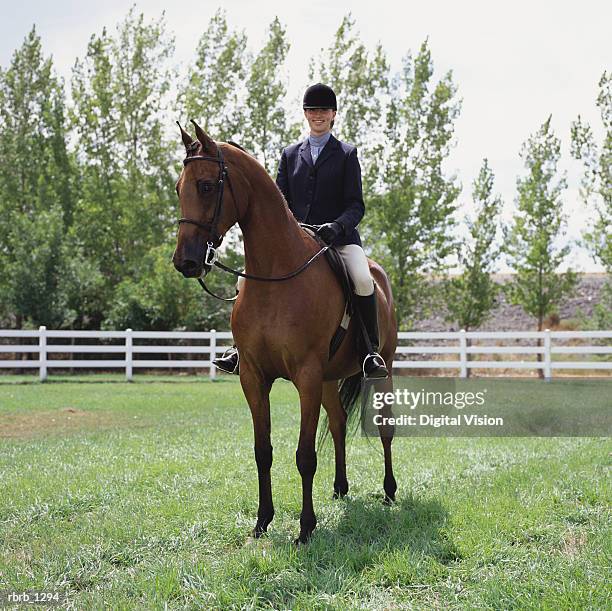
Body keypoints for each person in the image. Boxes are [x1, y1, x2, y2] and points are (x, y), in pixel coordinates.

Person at [214, 83, 388, 379]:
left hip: (338, 240)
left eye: (323, 110)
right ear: (306, 115)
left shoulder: (346, 154)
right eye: (312, 110)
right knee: (245, 283)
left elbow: (356, 205)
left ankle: (369, 351)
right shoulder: (290, 154)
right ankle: (239, 349)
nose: (317, 115)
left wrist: (337, 226)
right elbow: (278, 203)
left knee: (362, 278)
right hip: (297, 242)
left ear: (333, 115)